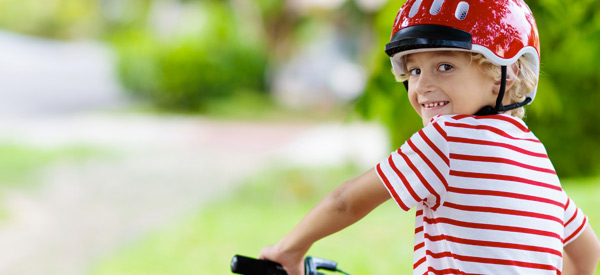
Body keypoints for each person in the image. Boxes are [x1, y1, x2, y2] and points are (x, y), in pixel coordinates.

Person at [259, 0, 600, 274]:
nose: (421, 85)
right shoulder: (534, 153)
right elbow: (587, 252)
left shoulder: (448, 137)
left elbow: (346, 202)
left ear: (504, 75)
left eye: (445, 66)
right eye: (414, 70)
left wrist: (288, 249)